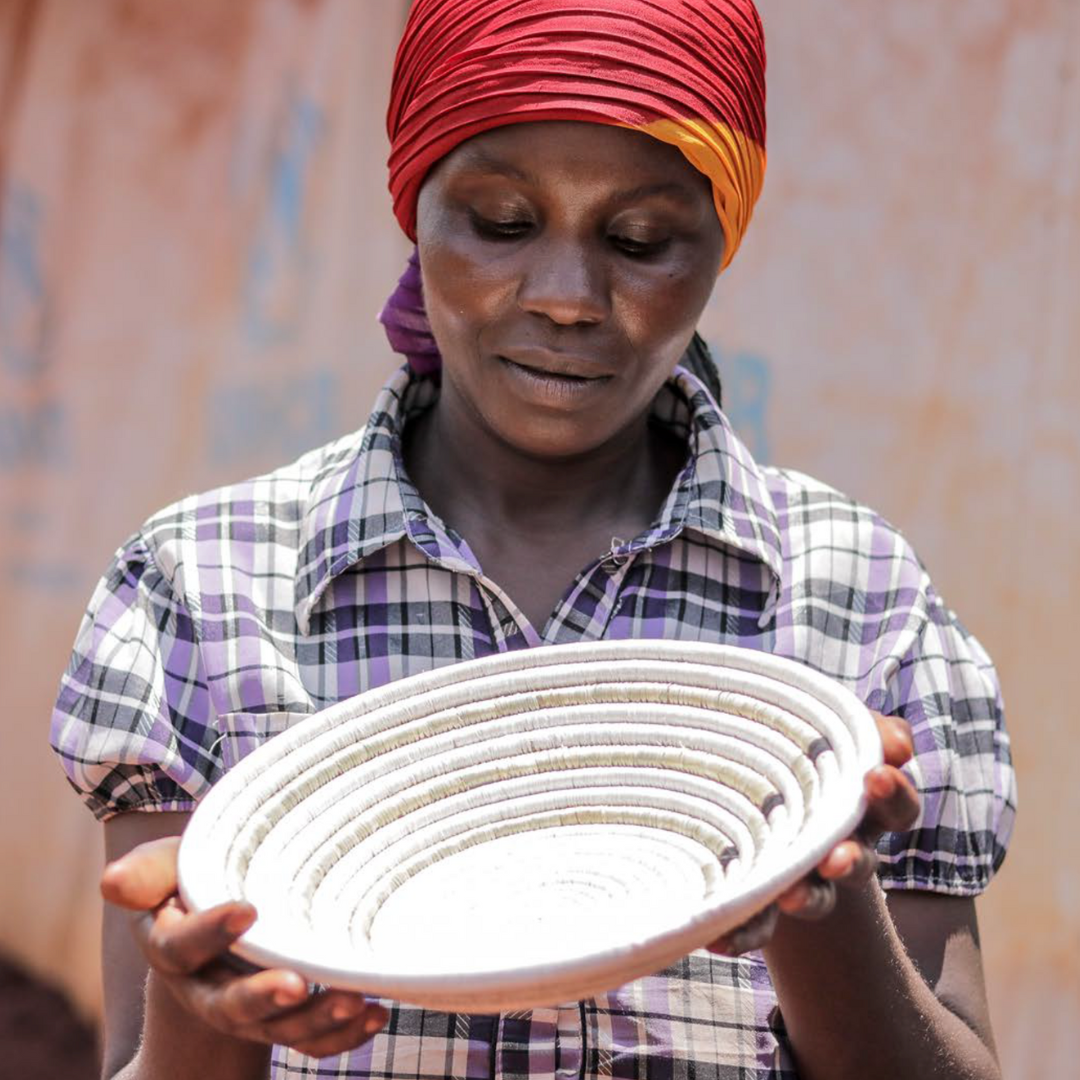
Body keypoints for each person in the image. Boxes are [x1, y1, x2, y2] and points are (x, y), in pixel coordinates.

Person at [50, 2, 1017, 1078]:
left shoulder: (852, 596)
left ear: (720, 245)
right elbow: (147, 1053)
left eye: (640, 241)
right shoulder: (208, 588)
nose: (566, 297)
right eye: (502, 222)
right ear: (413, 212)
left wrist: (809, 891)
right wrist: (208, 1012)